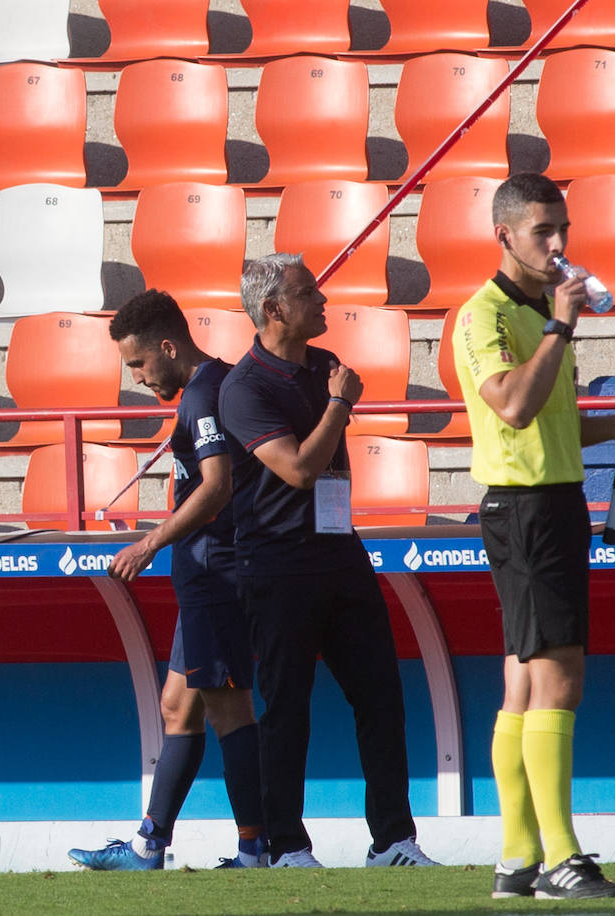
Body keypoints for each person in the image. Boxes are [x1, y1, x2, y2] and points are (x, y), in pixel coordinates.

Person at [452, 173, 615, 900]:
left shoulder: (537, 311)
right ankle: (560, 855)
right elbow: (511, 408)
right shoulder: (483, 316)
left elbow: (552, 417)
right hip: (525, 511)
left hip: (550, 505)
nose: (560, 244)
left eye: (563, 227)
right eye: (543, 231)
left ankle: (516, 859)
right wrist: (564, 325)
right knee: (558, 677)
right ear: (504, 235)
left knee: (523, 681)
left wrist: (614, 426)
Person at [218, 253, 437, 869]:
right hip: (278, 565)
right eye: (307, 291)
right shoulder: (245, 387)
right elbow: (297, 469)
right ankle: (287, 845)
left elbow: (329, 470)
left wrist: (336, 397)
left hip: (341, 553)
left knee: (381, 697)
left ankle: (393, 839)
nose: (322, 302)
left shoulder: (322, 367)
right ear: (273, 310)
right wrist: (340, 406)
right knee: (288, 707)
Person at [67, 290, 267, 870]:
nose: (136, 377)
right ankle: (148, 844)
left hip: (216, 573)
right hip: (204, 573)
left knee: (228, 708)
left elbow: (216, 485)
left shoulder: (204, 394)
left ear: (168, 346)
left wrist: (149, 542)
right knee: (178, 707)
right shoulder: (216, 385)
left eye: (139, 364)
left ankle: (255, 848)